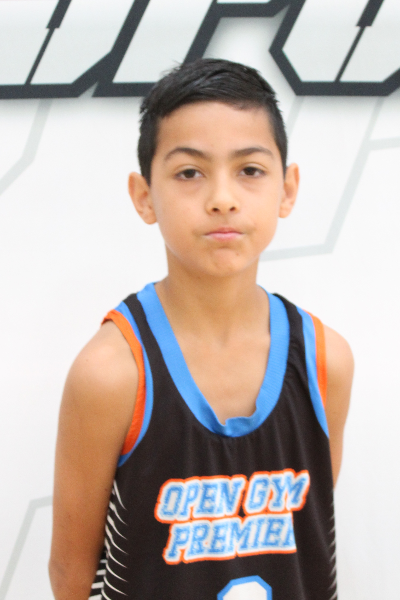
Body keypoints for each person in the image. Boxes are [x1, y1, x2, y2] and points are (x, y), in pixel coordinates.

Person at [49, 58, 353, 600]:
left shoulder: (325, 360)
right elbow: (71, 577)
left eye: (250, 170)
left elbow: (308, 541)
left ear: (287, 189)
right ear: (144, 196)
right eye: (189, 172)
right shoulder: (110, 374)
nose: (222, 198)